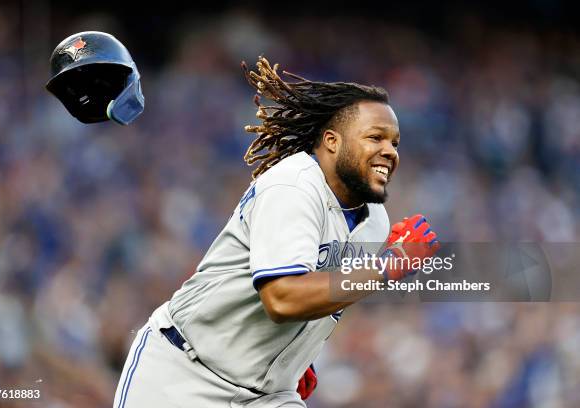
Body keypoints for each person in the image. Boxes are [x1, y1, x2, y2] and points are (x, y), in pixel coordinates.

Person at [113, 56, 439, 408]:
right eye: (375, 137)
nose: (389, 151)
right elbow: (282, 298)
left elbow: (329, 292)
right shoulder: (294, 186)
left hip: (268, 396)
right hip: (187, 376)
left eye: (395, 143)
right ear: (331, 141)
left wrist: (297, 354)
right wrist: (386, 268)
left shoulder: (375, 220)